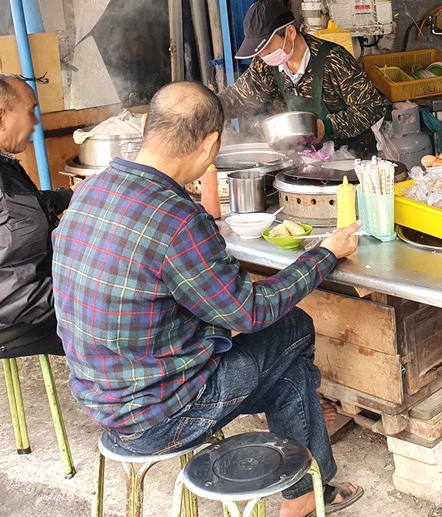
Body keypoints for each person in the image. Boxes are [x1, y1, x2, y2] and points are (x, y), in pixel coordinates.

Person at [52, 82, 363, 516]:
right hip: (161, 417)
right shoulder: (176, 219)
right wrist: (326, 253)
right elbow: (250, 312)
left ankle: (306, 492)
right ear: (211, 144)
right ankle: (304, 492)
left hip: (101, 401)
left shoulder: (89, 192)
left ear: (148, 127)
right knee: (292, 328)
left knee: (286, 370)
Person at [221, 0, 390, 151]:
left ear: (290, 33)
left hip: (351, 155)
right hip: (307, 156)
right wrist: (207, 111)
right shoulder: (264, 64)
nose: (263, 54)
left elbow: (372, 107)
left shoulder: (333, 60)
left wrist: (328, 126)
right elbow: (238, 97)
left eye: (267, 46)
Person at [0, 75, 73, 359]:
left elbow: (21, 211)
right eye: (30, 112)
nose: (35, 123)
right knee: (122, 319)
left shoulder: (4, 170)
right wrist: (75, 293)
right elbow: (10, 295)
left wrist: (68, 196)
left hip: (31, 299)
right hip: (15, 321)